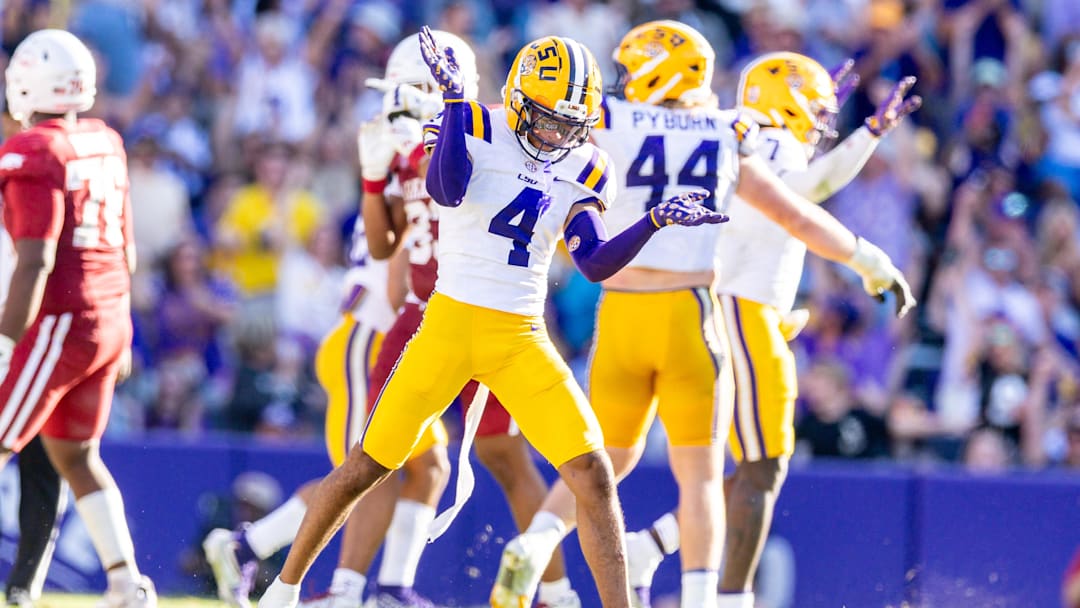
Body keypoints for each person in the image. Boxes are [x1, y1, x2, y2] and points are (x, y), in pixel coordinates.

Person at [256, 26, 728, 608]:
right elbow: (446, 190)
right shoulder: (476, 122)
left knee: (594, 473)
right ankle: (282, 591)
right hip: (448, 328)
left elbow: (596, 262)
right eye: (547, 119)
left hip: (520, 337)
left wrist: (652, 221)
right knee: (366, 466)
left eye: (568, 125)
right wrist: (455, 104)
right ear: (518, 98)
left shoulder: (585, 161)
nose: (557, 135)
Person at [495, 25, 917, 608]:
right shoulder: (726, 130)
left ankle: (538, 543)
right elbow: (796, 210)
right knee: (702, 479)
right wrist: (867, 258)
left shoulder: (611, 120)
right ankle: (702, 597)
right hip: (692, 314)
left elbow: (526, 120)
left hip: (618, 313)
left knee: (606, 460)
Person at [618, 51, 921, 608]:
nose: (822, 128)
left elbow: (805, 181)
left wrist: (859, 132)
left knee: (758, 465)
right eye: (817, 113)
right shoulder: (763, 139)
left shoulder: (748, 134)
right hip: (740, 308)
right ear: (788, 105)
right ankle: (727, 599)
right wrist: (869, 134)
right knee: (763, 466)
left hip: (741, 309)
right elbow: (810, 191)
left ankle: (653, 547)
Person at [360, 30, 582, 608]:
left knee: (487, 456)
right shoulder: (403, 144)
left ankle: (554, 590)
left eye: (412, 89)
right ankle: (356, 587)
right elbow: (391, 251)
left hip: (472, 310)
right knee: (383, 459)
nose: (400, 104)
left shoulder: (484, 134)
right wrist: (376, 174)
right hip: (428, 314)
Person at [0, 29, 156, 607]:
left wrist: (4, 341)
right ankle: (124, 582)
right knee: (75, 456)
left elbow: (36, 258)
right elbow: (128, 250)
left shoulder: (33, 151)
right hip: (110, 315)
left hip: (63, 320)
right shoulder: (104, 139)